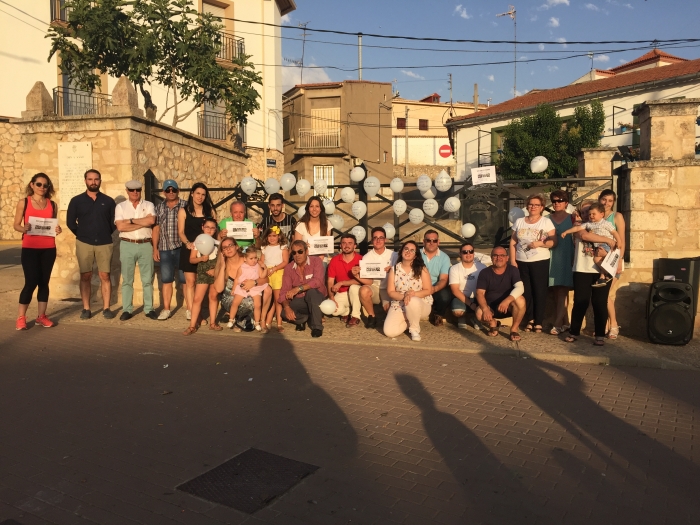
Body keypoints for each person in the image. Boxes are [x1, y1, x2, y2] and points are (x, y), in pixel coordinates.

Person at [565, 201, 618, 346]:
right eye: (585, 212)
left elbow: (617, 243)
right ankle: (573, 332)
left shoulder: (604, 225)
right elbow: (585, 236)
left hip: (602, 269)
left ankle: (600, 335)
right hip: (582, 269)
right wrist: (607, 240)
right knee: (580, 302)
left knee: (600, 303)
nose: (588, 215)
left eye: (590, 211)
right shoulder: (578, 226)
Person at [13, 173, 62, 330]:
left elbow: (53, 225)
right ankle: (21, 318)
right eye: (39, 184)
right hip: (30, 248)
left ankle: (41, 316)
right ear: (32, 185)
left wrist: (57, 229)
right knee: (31, 281)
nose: (42, 187)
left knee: (44, 282)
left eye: (45, 185)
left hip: (48, 248)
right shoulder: (24, 202)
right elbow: (16, 225)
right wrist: (24, 228)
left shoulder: (52, 204)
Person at [67, 168, 117, 320]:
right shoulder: (76, 200)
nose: (93, 182)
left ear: (100, 181)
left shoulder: (108, 201)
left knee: (105, 275)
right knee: (85, 276)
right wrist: (82, 234)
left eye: (96, 179)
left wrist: (103, 233)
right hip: (84, 242)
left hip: (104, 243)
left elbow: (113, 222)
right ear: (85, 181)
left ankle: (106, 308)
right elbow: (70, 222)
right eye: (90, 179)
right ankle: (86, 308)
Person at [509, 193, 556, 333]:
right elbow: (513, 242)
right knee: (526, 291)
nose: (533, 207)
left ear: (542, 207)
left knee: (539, 291)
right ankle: (529, 319)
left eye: (536, 205)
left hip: (539, 261)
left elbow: (553, 241)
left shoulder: (546, 222)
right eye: (531, 204)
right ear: (527, 206)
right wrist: (512, 260)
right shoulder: (519, 221)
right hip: (521, 261)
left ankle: (538, 321)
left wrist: (540, 243)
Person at [114, 180, 156, 321]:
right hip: (127, 244)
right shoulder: (120, 207)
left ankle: (149, 309)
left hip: (145, 244)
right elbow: (120, 227)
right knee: (127, 279)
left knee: (147, 279)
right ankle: (127, 309)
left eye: (137, 189)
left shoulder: (149, 204)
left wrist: (130, 221)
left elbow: (151, 221)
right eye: (132, 190)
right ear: (127, 191)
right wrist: (140, 222)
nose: (135, 192)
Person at [214, 238, 271, 331]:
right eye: (224, 248)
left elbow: (266, 279)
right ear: (222, 252)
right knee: (243, 301)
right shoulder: (223, 266)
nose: (228, 249)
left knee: (267, 290)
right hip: (231, 297)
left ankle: (259, 320)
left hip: (249, 292)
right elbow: (218, 289)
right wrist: (222, 266)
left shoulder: (250, 259)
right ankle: (236, 318)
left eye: (230, 245)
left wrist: (254, 282)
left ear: (236, 246)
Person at [177, 182, 215, 321]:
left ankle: (197, 310)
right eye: (198, 193)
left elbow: (213, 230)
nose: (200, 197)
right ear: (192, 193)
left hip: (206, 251)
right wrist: (188, 243)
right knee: (190, 282)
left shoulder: (210, 211)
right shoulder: (183, 211)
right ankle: (194, 313)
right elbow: (180, 232)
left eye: (203, 194)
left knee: (203, 282)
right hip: (190, 249)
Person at [561, 202, 621, 287]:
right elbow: (583, 234)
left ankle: (606, 274)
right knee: (597, 259)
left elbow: (615, 232)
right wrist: (566, 232)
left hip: (605, 247)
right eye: (584, 213)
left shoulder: (605, 223)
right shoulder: (586, 224)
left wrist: (619, 242)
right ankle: (605, 274)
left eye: (593, 213)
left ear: (601, 214)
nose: (589, 216)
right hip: (584, 268)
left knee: (600, 300)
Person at [384, 240, 434, 341]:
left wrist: (412, 294)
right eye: (406, 249)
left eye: (412, 250)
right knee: (389, 332)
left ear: (415, 255)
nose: (408, 252)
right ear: (402, 251)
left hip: (421, 304)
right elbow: (390, 292)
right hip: (399, 304)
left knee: (412, 300)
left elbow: (428, 290)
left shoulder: (422, 269)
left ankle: (414, 329)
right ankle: (410, 320)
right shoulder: (394, 269)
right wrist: (405, 296)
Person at [152, 179, 187, 320]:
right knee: (166, 280)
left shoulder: (185, 205)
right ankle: (166, 309)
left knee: (186, 280)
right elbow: (156, 228)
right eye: (168, 190)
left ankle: (190, 308)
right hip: (165, 248)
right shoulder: (159, 208)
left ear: (178, 190)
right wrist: (155, 248)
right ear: (164, 192)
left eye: (173, 190)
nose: (171, 192)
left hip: (182, 248)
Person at [475, 246, 526, 341]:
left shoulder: (513, 270)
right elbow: (479, 293)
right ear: (491, 257)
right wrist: (485, 309)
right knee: (479, 313)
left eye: (502, 255)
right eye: (495, 255)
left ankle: (514, 329)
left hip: (508, 307)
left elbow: (520, 287)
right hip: (491, 308)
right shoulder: (484, 272)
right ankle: (493, 323)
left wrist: (507, 301)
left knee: (521, 300)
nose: (499, 258)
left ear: (507, 258)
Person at [279, 239, 327, 337]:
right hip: (301, 299)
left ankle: (317, 327)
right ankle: (306, 318)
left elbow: (317, 281)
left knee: (312, 292)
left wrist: (298, 288)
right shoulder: (289, 268)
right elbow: (284, 291)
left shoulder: (316, 261)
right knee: (284, 313)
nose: (297, 255)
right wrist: (287, 307)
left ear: (306, 251)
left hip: (317, 298)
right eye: (294, 252)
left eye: (300, 251)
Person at [183, 218, 220, 335]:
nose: (209, 230)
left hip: (215, 272)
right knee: (197, 298)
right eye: (207, 227)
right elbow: (191, 259)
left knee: (213, 297)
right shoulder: (197, 243)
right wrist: (201, 259)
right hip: (203, 272)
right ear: (203, 227)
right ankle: (192, 325)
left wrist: (215, 270)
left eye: (212, 228)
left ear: (215, 229)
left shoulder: (218, 244)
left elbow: (221, 260)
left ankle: (213, 323)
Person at [355, 226, 398, 329]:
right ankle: (372, 316)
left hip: (389, 288)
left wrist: (393, 270)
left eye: (381, 238)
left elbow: (403, 273)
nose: (378, 240)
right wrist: (356, 275)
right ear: (372, 240)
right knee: (363, 290)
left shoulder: (394, 255)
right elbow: (368, 281)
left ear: (385, 240)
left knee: (390, 312)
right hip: (374, 286)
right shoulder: (366, 257)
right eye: (375, 238)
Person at [599, 189, 626, 339]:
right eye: (604, 199)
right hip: (599, 261)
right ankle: (607, 325)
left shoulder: (616, 216)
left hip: (613, 260)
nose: (607, 203)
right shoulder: (596, 214)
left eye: (610, 200)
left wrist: (620, 261)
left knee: (606, 293)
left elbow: (622, 240)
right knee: (601, 294)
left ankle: (614, 325)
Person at [547, 190, 574, 335]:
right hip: (551, 258)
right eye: (554, 201)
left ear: (566, 203)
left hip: (566, 257)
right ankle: (566, 323)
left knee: (563, 290)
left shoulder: (573, 219)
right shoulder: (546, 218)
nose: (557, 203)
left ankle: (557, 324)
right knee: (556, 291)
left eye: (560, 200)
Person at [227, 246, 269, 332]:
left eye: (255, 258)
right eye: (251, 258)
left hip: (254, 288)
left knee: (257, 304)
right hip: (242, 287)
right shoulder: (242, 267)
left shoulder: (257, 266)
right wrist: (234, 289)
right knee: (235, 302)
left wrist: (265, 268)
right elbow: (237, 279)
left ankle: (257, 322)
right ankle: (231, 319)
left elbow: (262, 276)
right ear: (245, 259)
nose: (254, 260)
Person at [327, 233, 365, 327]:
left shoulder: (361, 259)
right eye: (344, 243)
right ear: (340, 245)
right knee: (333, 311)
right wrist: (331, 297)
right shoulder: (334, 260)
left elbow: (362, 280)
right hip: (341, 293)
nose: (346, 246)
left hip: (357, 292)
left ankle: (356, 316)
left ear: (355, 246)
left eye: (350, 243)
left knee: (354, 288)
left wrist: (342, 283)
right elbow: (330, 281)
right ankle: (346, 311)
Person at [449, 242, 486, 329]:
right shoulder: (454, 268)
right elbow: (455, 290)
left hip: (478, 297)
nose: (468, 254)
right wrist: (471, 304)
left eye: (471, 251)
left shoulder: (482, 267)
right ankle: (462, 318)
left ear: (474, 253)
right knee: (457, 311)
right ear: (460, 254)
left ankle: (475, 318)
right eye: (465, 252)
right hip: (461, 297)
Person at [260, 225, 290, 331]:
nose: (272, 238)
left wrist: (274, 269)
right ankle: (267, 320)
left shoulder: (283, 247)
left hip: (278, 273)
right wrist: (264, 269)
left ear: (279, 236)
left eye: (274, 236)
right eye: (269, 236)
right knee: (269, 298)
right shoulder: (264, 248)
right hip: (267, 273)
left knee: (278, 299)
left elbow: (285, 262)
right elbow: (262, 261)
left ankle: (279, 323)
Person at [420, 230, 452, 327]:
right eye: (428, 240)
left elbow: (443, 279)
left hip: (435, 285)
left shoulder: (444, 257)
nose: (431, 243)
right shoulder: (416, 254)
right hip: (419, 285)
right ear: (423, 242)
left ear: (438, 242)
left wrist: (434, 289)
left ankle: (438, 314)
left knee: (445, 295)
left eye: (434, 240)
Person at [294, 195, 332, 263]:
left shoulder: (327, 224)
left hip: (321, 259)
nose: (314, 209)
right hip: (304, 259)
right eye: (311, 206)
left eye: (317, 206)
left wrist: (321, 256)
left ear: (321, 209)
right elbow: (296, 246)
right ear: (308, 209)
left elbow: (327, 244)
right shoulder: (301, 225)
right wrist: (303, 245)